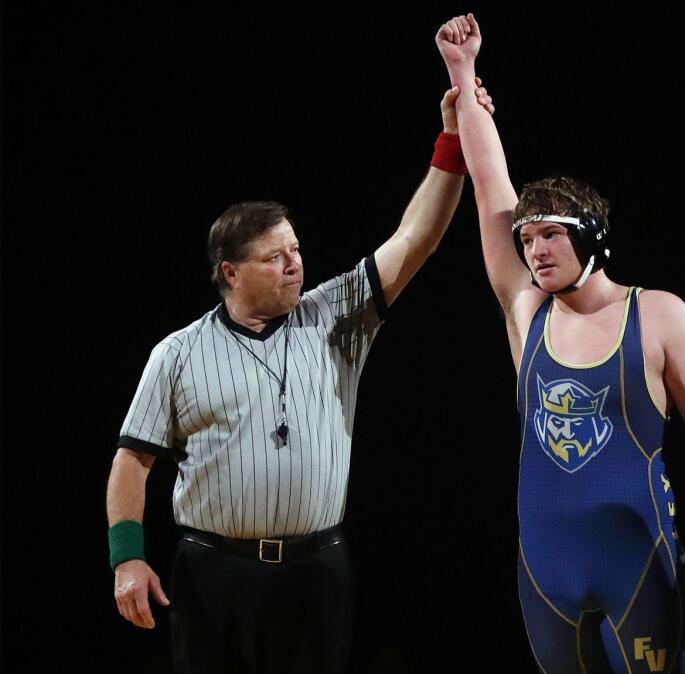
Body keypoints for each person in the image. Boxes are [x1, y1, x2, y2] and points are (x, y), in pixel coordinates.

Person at [105, 84, 495, 674]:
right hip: (214, 572)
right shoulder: (178, 354)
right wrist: (126, 560)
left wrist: (453, 141)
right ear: (230, 272)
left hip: (318, 570)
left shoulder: (334, 314)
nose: (295, 263)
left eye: (296, 249)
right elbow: (131, 463)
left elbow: (414, 238)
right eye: (275, 256)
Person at [435, 14, 685, 674]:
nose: (534, 250)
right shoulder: (527, 312)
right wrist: (461, 73)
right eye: (526, 240)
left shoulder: (660, 315)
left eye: (549, 234)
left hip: (640, 561)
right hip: (545, 572)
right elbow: (492, 188)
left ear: (592, 237)